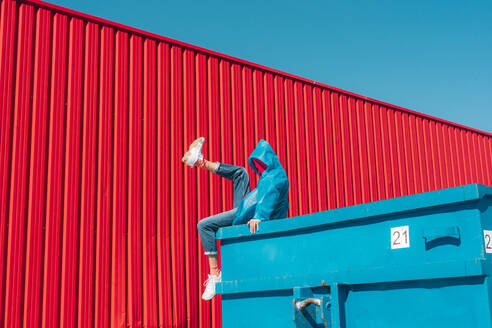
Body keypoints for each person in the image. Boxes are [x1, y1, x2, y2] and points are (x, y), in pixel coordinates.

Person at [182, 137, 289, 300]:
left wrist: (260, 217)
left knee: (204, 225)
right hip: (248, 208)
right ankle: (200, 161)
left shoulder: (273, 178)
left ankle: (215, 274)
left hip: (249, 215)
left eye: (260, 162)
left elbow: (269, 196)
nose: (259, 166)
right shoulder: (272, 174)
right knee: (241, 173)